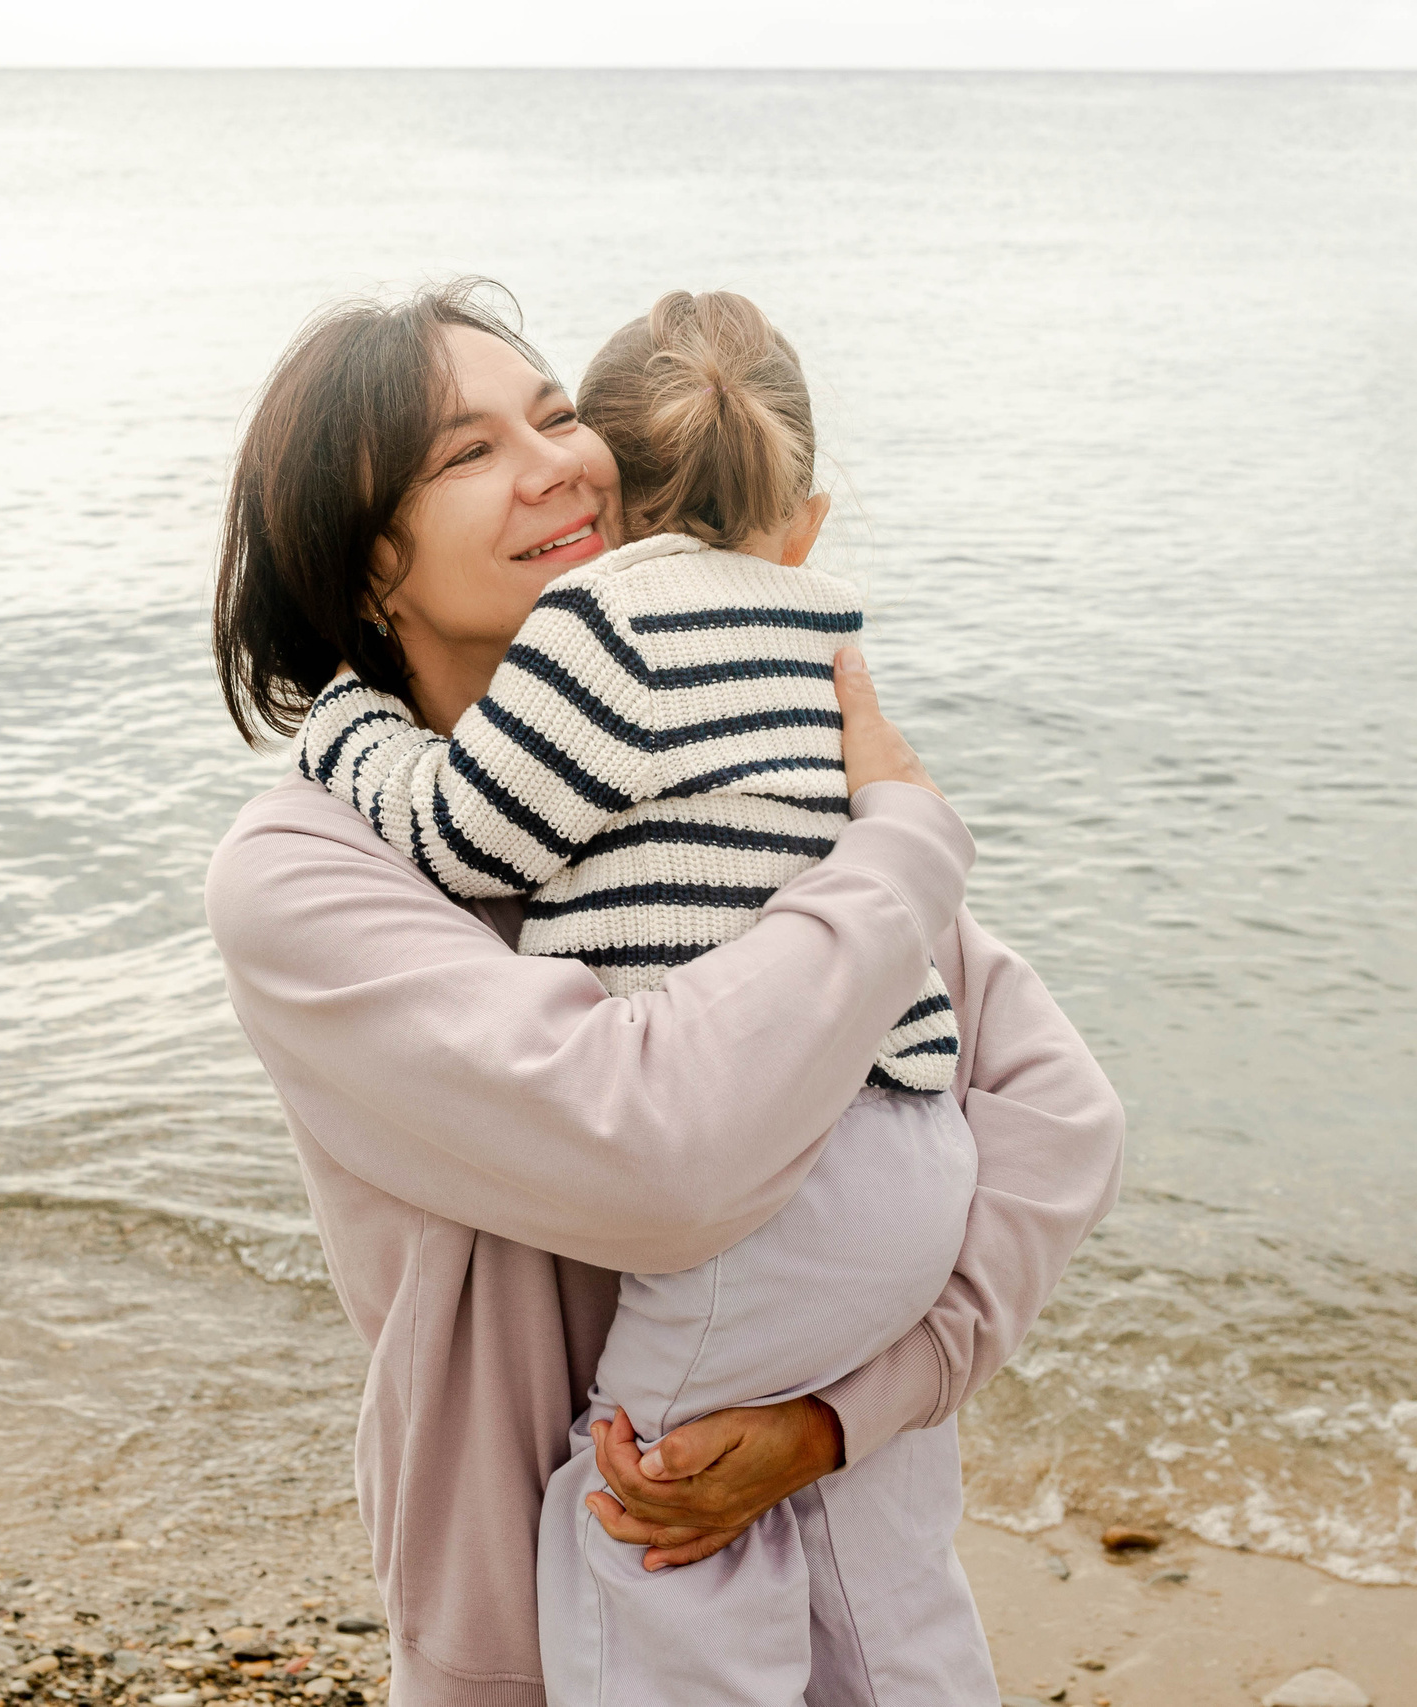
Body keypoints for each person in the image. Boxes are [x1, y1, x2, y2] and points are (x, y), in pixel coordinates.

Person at [204, 279, 1124, 1707]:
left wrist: (836, 1419)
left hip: (881, 1612)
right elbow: (662, 1158)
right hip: (544, 1640)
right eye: (468, 452)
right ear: (367, 566)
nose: (558, 461)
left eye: (558, 412)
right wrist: (902, 849)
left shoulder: (730, 788)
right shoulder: (304, 878)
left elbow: (1058, 1113)